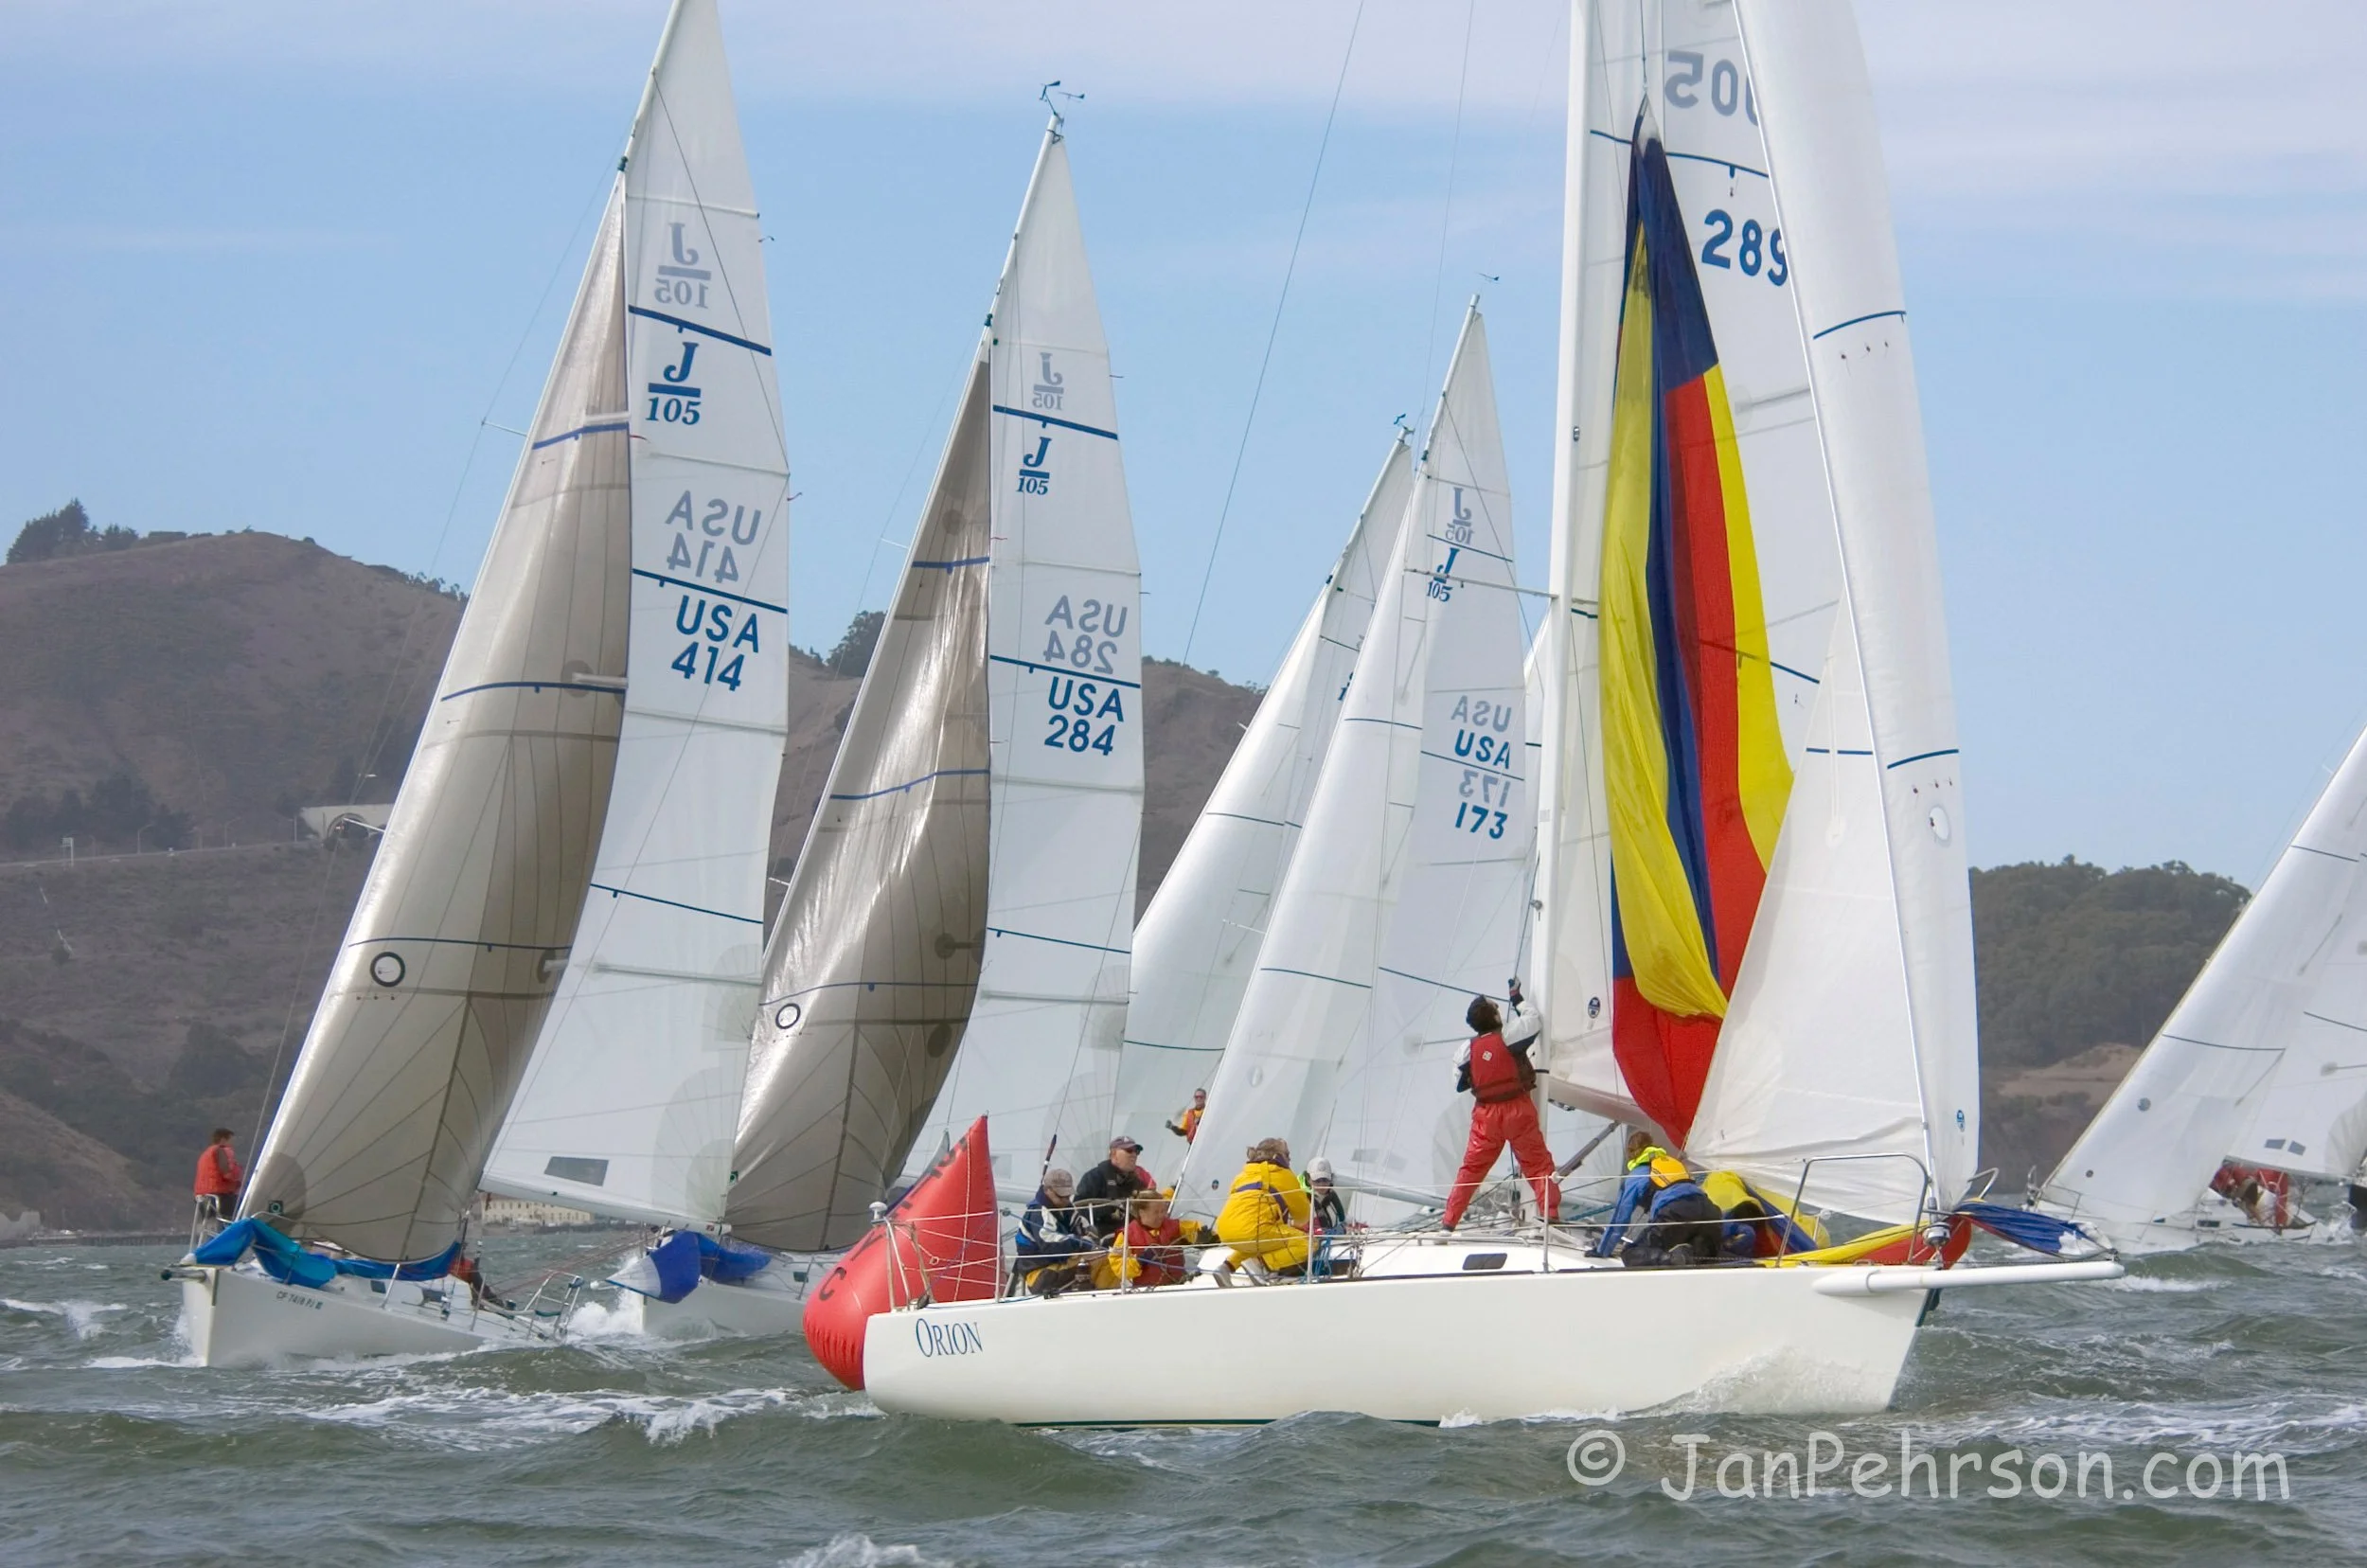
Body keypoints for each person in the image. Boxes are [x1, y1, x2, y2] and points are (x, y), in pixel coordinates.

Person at [1440, 980, 1560, 1229]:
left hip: (1486, 1117)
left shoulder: (1465, 1050)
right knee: (1538, 1165)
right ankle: (1551, 1216)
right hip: (1517, 1109)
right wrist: (1517, 998)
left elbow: (1459, 1084)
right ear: (1494, 1014)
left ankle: (1448, 1223)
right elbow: (1534, 1019)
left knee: (1471, 1170)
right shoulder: (1509, 1035)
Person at [1593, 1131, 1722, 1264]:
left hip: (1677, 1212)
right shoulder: (1671, 1164)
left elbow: (1620, 1219)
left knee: (1631, 1254)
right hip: (1710, 1211)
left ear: (1630, 1153)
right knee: (1703, 1258)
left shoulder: (1635, 1176)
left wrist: (1601, 1250)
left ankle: (1672, 1260)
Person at [1215, 1137, 1313, 1276]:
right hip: (1254, 1232)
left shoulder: (1242, 1175)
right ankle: (1261, 1265)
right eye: (1287, 1155)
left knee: (1259, 1240)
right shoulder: (1283, 1174)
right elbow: (1303, 1216)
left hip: (1225, 1233)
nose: (1289, 1160)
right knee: (1309, 1243)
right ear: (1278, 1156)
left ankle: (1227, 1267)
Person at [1093, 1189, 1210, 1291]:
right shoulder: (1127, 1235)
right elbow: (1118, 1266)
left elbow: (1195, 1229)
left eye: (1163, 1211)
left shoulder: (1175, 1226)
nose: (1161, 1215)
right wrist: (1139, 1261)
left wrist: (1205, 1237)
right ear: (1142, 1212)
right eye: (1156, 1212)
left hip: (1178, 1286)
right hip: (1146, 1291)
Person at [1012, 1168, 1100, 1295]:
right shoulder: (1039, 1212)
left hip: (1060, 1264)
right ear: (1047, 1190)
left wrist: (1089, 1234)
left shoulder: (1066, 1207)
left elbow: (1081, 1226)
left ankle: (1105, 1296)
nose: (1065, 1200)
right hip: (1040, 1273)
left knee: (1105, 1258)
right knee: (1103, 1262)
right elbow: (1050, 1246)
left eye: (1068, 1195)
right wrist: (1081, 1242)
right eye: (1061, 1196)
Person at [1072, 1135, 1155, 1239]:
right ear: (1114, 1154)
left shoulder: (1138, 1184)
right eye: (1129, 1150)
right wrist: (1111, 1207)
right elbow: (1078, 1210)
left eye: (1136, 1151)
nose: (1134, 1155)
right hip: (1101, 1239)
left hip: (1130, 1240)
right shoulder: (1094, 1177)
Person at [1306, 1157, 1351, 1277]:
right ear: (1309, 1180)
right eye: (1317, 1180)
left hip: (1334, 1249)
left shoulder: (1332, 1197)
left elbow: (1342, 1219)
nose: (1322, 1184)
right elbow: (1303, 1227)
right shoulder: (1303, 1200)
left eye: (1325, 1180)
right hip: (1314, 1253)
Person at [192, 1127, 243, 1234]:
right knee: (246, 1206)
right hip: (219, 1197)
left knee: (213, 1225)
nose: (232, 1144)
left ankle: (212, 1241)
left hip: (202, 1198)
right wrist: (237, 1178)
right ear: (223, 1140)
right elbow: (227, 1174)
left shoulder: (206, 1154)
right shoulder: (221, 1151)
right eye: (231, 1140)